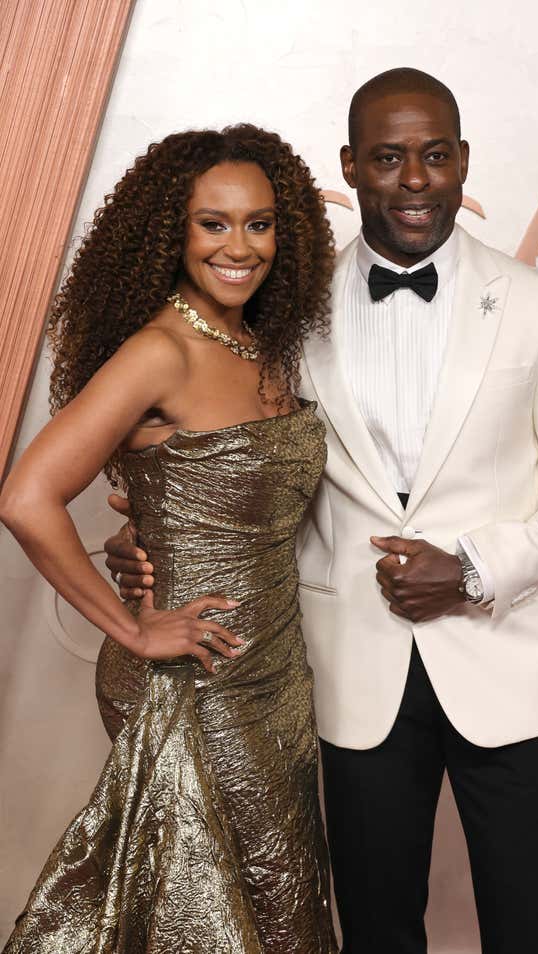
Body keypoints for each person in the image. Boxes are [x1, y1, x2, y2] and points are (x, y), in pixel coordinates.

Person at [108, 69, 538, 954]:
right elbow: (238, 466)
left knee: (534, 925)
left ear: (463, 161)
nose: (415, 179)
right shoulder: (282, 312)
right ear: (350, 167)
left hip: (511, 667)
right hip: (351, 672)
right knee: (377, 929)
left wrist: (472, 565)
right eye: (388, 158)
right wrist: (150, 535)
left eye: (434, 156)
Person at [0, 126, 338, 954]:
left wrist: (142, 523)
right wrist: (132, 626)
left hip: (273, 677)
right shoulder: (160, 351)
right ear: (171, 232)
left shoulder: (261, 344)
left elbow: (211, 490)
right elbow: (27, 496)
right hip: (189, 677)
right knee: (213, 917)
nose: (239, 247)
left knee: (274, 901)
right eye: (212, 223)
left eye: (258, 224)